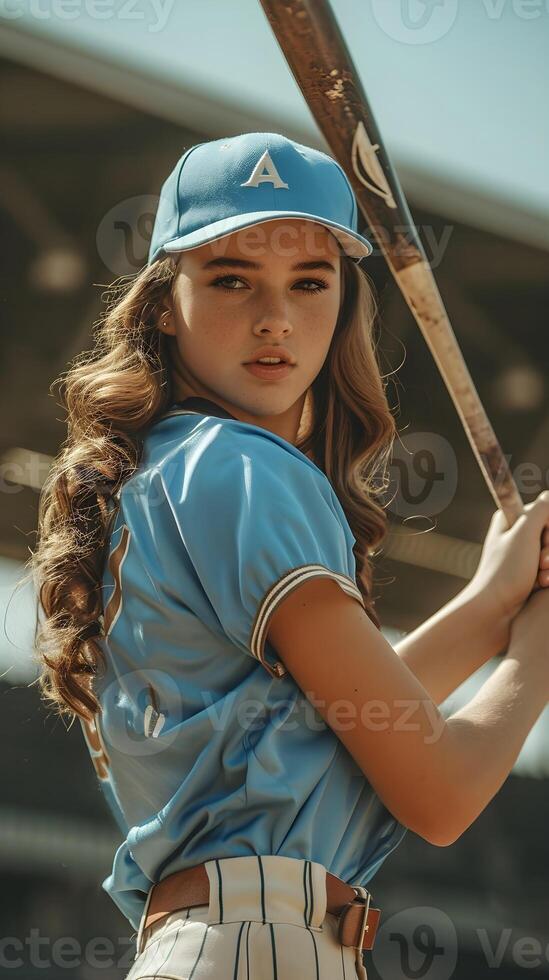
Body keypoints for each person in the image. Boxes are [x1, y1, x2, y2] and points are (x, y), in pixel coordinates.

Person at [29, 132, 549, 980]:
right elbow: (440, 792)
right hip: (261, 943)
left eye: (309, 282)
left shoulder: (177, 459)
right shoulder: (241, 464)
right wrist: (540, 643)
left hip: (219, 938)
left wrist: (495, 603)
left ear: (344, 302)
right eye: (231, 279)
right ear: (163, 301)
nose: (274, 317)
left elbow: (343, 731)